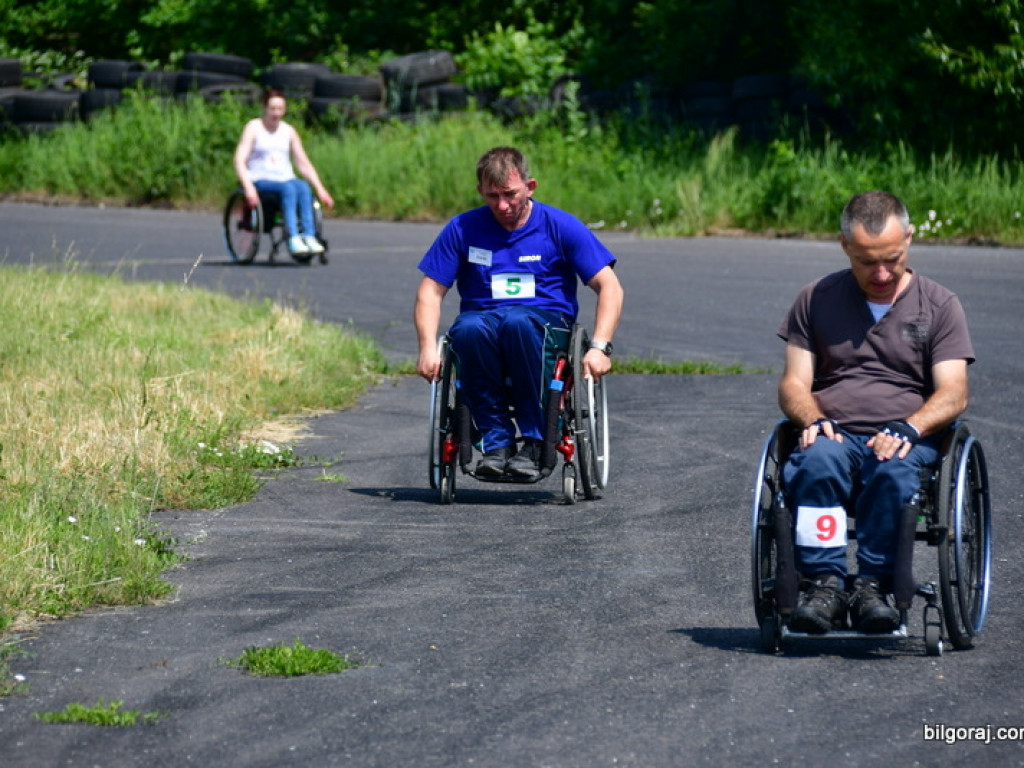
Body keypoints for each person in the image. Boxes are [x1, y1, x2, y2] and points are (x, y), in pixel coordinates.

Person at [776, 190, 975, 634]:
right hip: (835, 432)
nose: (882, 273)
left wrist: (910, 426)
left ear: (909, 238)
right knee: (815, 462)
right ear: (846, 246)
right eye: (868, 262)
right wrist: (812, 419)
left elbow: (954, 392)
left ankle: (874, 585)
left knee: (892, 470)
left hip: (908, 435)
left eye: (892, 258)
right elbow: (793, 383)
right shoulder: (816, 299)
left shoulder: (940, 305)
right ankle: (824, 583)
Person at [414, 146, 624, 479]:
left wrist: (599, 347)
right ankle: (496, 443)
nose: (502, 205)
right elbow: (430, 290)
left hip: (545, 323)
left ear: (531, 186)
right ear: (480, 191)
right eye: (492, 196)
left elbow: (609, 286)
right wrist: (427, 348)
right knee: (465, 330)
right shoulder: (463, 229)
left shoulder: (560, 226)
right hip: (482, 321)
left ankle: (536, 440)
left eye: (510, 194)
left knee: (518, 322)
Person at [233, 88, 334, 256]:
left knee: (302, 187)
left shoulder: (288, 131)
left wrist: (321, 189)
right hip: (261, 179)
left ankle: (309, 236)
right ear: (265, 108)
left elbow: (303, 163)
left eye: (280, 109)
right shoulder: (254, 127)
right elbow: (239, 160)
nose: (276, 113)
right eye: (273, 109)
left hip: (285, 178)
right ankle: (292, 236)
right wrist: (248, 187)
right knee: (289, 189)